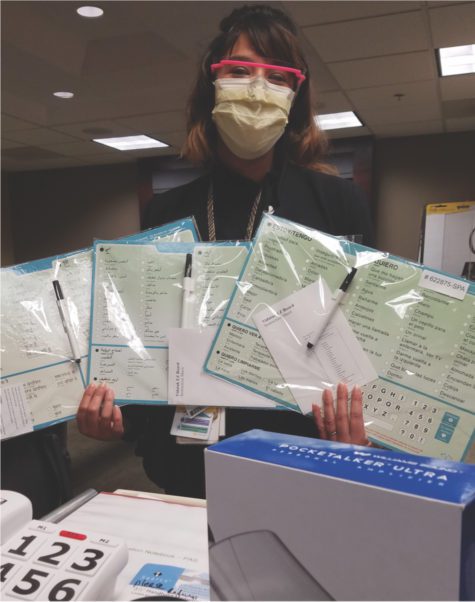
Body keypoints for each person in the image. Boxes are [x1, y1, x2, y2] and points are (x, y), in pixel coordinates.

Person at [77, 4, 374, 498]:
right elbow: (147, 344)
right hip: (188, 468)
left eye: (276, 75)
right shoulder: (167, 212)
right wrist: (117, 416)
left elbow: (363, 343)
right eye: (238, 71)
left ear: (295, 95)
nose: (257, 90)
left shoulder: (337, 205)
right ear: (211, 85)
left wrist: (367, 424)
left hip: (300, 464)